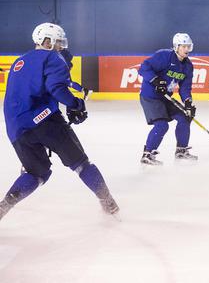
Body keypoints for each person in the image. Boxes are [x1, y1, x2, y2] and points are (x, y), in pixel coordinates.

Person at [1, 23, 118, 221]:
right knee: (81, 164)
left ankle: (5, 205)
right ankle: (109, 204)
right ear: (47, 42)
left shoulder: (18, 62)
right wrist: (76, 104)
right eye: (58, 42)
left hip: (16, 128)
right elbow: (56, 87)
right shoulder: (52, 57)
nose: (61, 47)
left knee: (37, 173)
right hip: (46, 121)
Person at [139, 33, 197, 165]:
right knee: (162, 125)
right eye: (184, 46)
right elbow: (143, 68)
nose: (187, 49)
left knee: (185, 117)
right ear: (176, 47)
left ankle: (181, 151)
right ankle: (147, 154)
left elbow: (185, 87)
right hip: (151, 96)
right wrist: (155, 80)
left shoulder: (188, 66)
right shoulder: (164, 56)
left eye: (189, 46)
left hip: (165, 98)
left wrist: (188, 102)